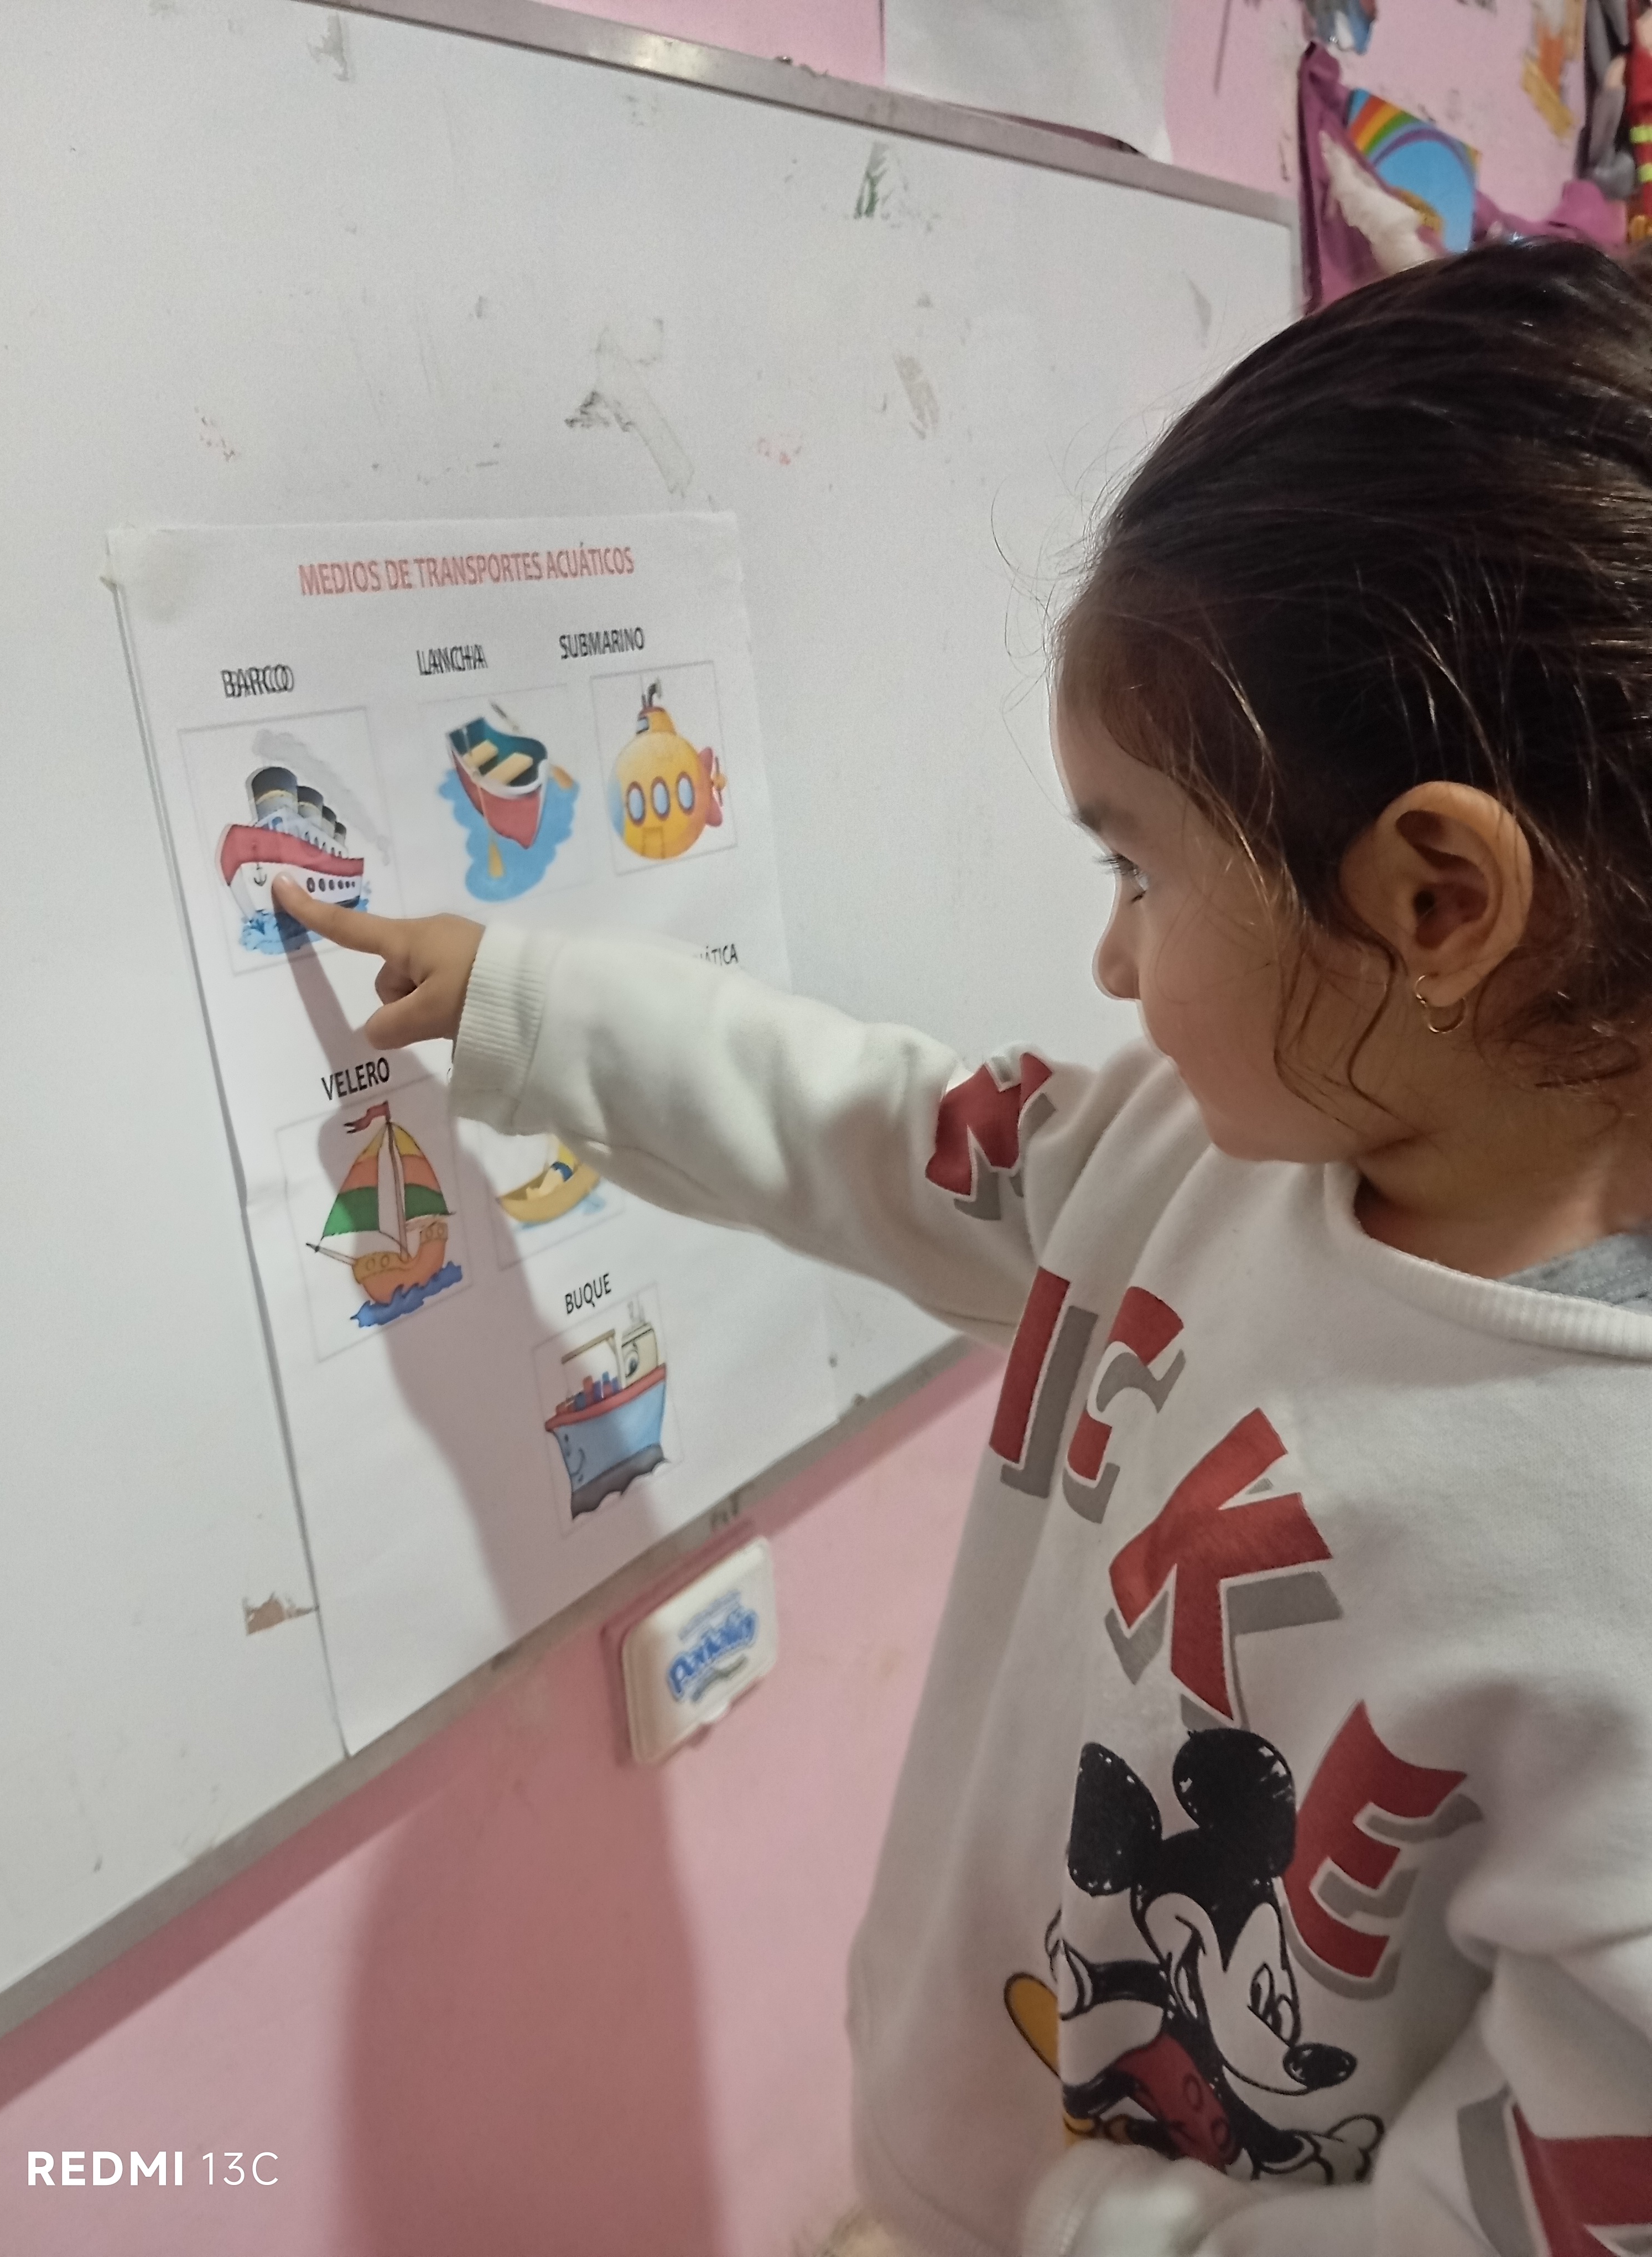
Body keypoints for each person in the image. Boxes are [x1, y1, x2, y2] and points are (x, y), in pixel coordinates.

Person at [273, 240, 1652, 2256]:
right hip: (969, 2123)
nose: (1110, 958)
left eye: (1137, 867)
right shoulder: (1192, 1152)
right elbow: (881, 1126)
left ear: (1436, 902)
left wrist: (1116, 2236)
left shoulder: (1612, 1566)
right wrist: (528, 1009)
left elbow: (1559, 2198)